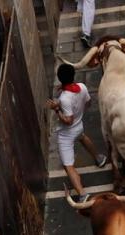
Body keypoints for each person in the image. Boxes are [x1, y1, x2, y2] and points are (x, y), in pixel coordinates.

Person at [46, 64, 107, 204]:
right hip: (79, 126)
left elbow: (67, 120)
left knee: (68, 166)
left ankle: (82, 194)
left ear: (60, 79)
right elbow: (88, 103)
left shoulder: (65, 99)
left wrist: (56, 109)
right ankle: (99, 158)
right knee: (83, 137)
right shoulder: (82, 87)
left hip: (66, 134)